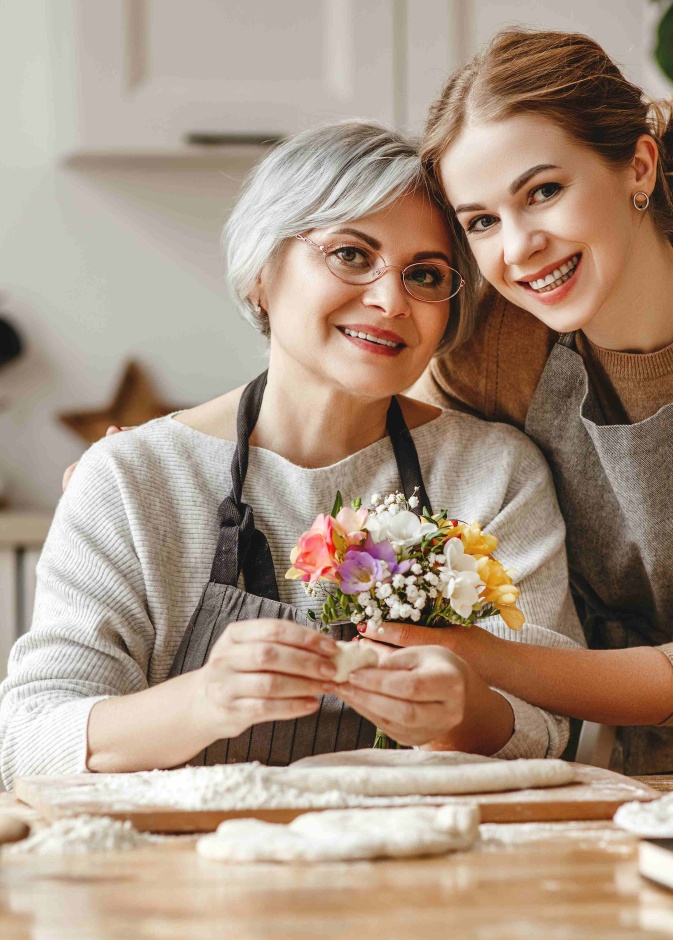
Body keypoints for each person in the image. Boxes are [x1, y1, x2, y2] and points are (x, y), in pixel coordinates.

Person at [0, 122, 585, 790]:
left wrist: (466, 715)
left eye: (424, 275)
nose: (392, 301)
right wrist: (204, 701)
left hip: (425, 872)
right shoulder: (132, 480)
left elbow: (549, 725)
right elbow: (27, 740)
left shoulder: (494, 474)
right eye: (350, 255)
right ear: (260, 274)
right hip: (185, 878)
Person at [359, 29, 673, 775]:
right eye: (480, 221)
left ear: (637, 164)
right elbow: (350, 417)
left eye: (543, 192)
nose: (518, 246)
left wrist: (477, 657)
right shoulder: (503, 347)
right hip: (627, 777)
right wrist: (168, 453)